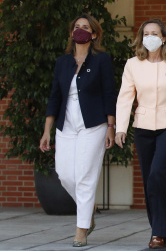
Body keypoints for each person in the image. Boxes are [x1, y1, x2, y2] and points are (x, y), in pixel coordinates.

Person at [115, 19, 166, 249]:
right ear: (142, 38)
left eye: (155, 33)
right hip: (142, 127)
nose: (150, 36)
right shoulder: (132, 64)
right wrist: (121, 128)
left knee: (157, 176)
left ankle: (159, 233)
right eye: (146, 33)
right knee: (149, 181)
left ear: (163, 38)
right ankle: (157, 232)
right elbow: (125, 98)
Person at [39, 14, 116, 247]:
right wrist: (46, 131)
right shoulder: (63, 62)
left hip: (93, 124)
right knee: (65, 174)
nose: (80, 30)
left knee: (84, 175)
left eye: (85, 27)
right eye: (76, 27)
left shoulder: (102, 60)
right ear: (71, 32)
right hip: (66, 124)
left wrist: (111, 126)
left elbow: (108, 94)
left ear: (93, 34)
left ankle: (81, 229)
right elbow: (54, 96)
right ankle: (88, 206)